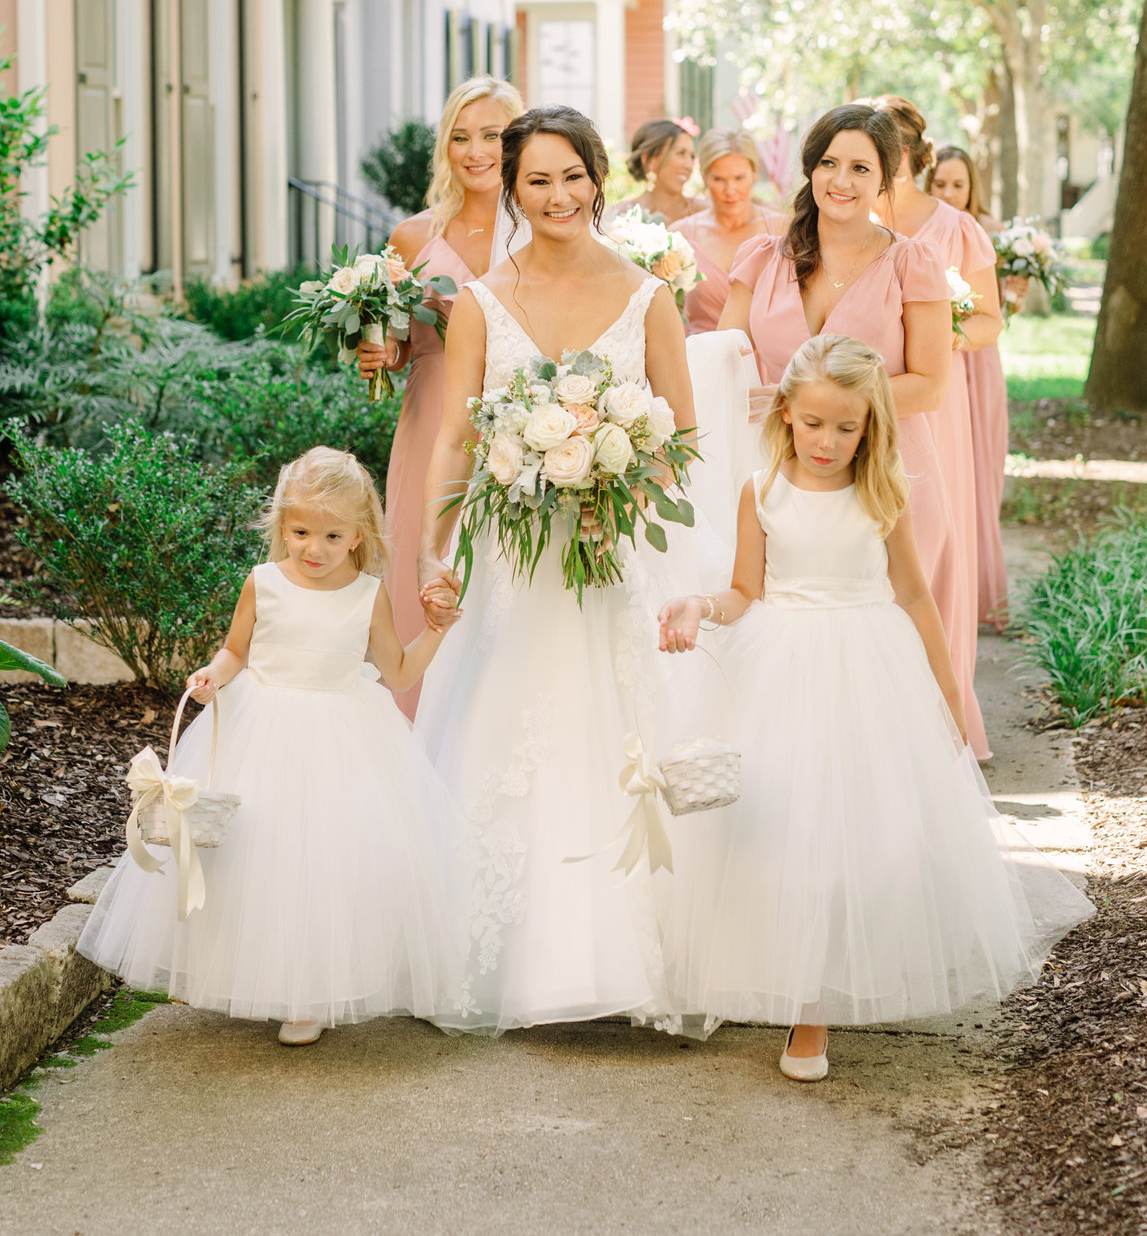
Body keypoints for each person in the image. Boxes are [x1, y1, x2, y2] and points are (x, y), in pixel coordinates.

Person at [657, 336, 1093, 1082]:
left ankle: (815, 1005)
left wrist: (950, 695)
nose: (827, 441)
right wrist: (698, 605)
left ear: (870, 427)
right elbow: (744, 591)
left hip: (866, 665)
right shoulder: (759, 490)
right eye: (813, 423)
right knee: (776, 829)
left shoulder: (882, 490)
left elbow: (915, 594)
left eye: (846, 428)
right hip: (779, 665)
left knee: (862, 833)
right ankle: (783, 976)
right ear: (786, 414)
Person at [415, 105, 698, 1033]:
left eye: (571, 176)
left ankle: (616, 958)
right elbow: (455, 433)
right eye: (535, 180)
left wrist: (619, 483)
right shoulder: (482, 303)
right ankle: (509, 962)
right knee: (507, 730)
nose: (556, 196)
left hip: (608, 552)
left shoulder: (646, 295)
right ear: (510, 186)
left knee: (604, 720)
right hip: (512, 560)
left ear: (598, 178)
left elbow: (680, 433)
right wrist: (437, 549)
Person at [78, 448, 464, 1047]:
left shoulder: (368, 595)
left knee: (326, 863)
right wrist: (213, 674)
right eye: (300, 531)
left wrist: (435, 632)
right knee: (257, 855)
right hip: (263, 729)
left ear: (359, 535)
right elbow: (237, 650)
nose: (314, 548)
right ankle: (252, 971)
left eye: (332, 535)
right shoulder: (263, 583)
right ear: (281, 523)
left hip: (343, 739)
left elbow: (400, 673)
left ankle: (307, 994)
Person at [715, 102, 959, 681]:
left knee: (886, 645)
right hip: (775, 472)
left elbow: (930, 385)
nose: (841, 181)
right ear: (810, 169)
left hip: (883, 473)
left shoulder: (912, 263)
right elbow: (722, 359)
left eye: (860, 168)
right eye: (828, 163)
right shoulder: (762, 257)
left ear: (886, 178)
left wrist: (802, 400)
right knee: (777, 637)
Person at [358, 76, 523, 718]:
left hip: (521, 421)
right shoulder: (411, 236)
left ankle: (494, 721)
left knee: (504, 568)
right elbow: (400, 345)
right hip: (431, 419)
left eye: (493, 136)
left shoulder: (542, 228)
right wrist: (380, 351)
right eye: (461, 137)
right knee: (424, 561)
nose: (476, 150)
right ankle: (417, 721)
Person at [871, 99, 1001, 760]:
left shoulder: (954, 229)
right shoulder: (850, 217)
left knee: (936, 543)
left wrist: (938, 328)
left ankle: (944, 718)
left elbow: (987, 321)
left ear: (914, 154)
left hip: (932, 400)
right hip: (861, 400)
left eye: (886, 146)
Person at [928, 144, 1012, 629]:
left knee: (980, 465)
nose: (949, 192)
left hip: (975, 357)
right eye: (940, 183)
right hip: (943, 362)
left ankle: (978, 587)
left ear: (971, 187)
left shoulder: (981, 230)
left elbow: (994, 309)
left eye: (958, 184)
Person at [669, 128, 788, 335]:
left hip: (764, 363)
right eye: (719, 179)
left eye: (739, 178)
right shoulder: (680, 235)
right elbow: (667, 315)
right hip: (701, 360)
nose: (730, 190)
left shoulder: (782, 229)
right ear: (704, 177)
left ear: (754, 173)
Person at [609, 118, 706, 224]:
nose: (689, 165)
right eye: (680, 153)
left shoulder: (705, 212)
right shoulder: (620, 216)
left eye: (692, 156)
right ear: (649, 159)